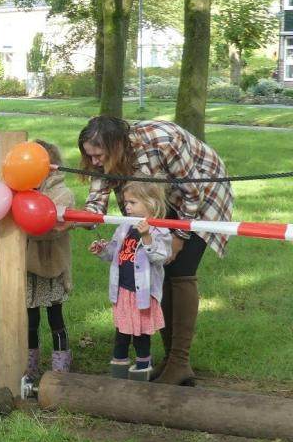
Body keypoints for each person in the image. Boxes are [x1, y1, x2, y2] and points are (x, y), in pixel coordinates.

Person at [78, 116, 234, 385]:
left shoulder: (164, 140)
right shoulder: (108, 161)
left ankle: (180, 362)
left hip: (203, 193)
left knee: (182, 269)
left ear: (116, 147)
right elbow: (97, 200)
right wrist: (78, 220)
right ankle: (171, 361)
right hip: (157, 201)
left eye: (98, 155)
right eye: (89, 156)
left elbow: (192, 193)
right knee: (159, 267)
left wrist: (179, 237)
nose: (94, 162)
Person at [89, 181, 172, 382]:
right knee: (122, 332)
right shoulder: (125, 226)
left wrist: (146, 237)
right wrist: (102, 249)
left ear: (151, 204)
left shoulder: (160, 230)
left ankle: (142, 369)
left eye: (133, 202)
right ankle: (119, 368)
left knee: (141, 334)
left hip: (142, 294)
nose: (127, 206)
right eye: (126, 202)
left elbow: (161, 257)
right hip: (123, 292)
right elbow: (114, 251)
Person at [25, 140, 74, 380]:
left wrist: (27, 223)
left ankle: (60, 369)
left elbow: (52, 227)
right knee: (29, 319)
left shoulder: (62, 193)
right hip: (27, 268)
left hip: (51, 267)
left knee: (55, 317)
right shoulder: (20, 190)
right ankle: (30, 368)